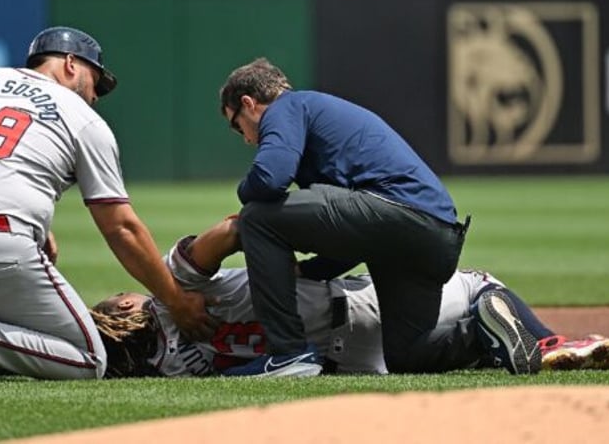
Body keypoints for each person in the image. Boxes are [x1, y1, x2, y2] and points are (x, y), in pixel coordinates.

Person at [0, 26, 214, 384]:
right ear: (71, 64)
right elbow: (121, 227)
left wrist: (38, 227)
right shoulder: (83, 119)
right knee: (92, 359)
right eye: (96, 82)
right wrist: (175, 299)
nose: (95, 96)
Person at [217, 57, 540, 377]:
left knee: (257, 216)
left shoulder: (286, 107)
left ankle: (287, 354)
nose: (247, 138)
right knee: (409, 355)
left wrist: (244, 193)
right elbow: (351, 241)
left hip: (394, 212)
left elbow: (270, 178)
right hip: (435, 236)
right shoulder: (314, 116)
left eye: (237, 125)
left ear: (250, 103)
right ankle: (484, 327)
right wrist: (308, 269)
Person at [88, 216, 609, 378]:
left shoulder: (170, 369)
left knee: (451, 350)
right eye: (122, 297)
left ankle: (502, 345)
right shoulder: (170, 295)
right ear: (129, 309)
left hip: (350, 362)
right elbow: (235, 228)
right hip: (353, 305)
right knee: (479, 286)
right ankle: (543, 343)